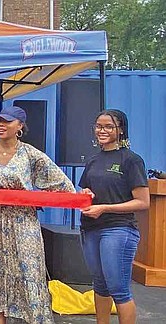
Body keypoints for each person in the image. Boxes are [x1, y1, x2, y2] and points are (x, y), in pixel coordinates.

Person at [0, 105, 75, 324]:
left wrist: (76, 197)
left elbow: (60, 183)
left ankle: (30, 318)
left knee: (27, 270)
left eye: (7, 121)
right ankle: (0, 321)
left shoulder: (30, 154)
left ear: (20, 126)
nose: (1, 125)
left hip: (22, 222)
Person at [78, 109, 149, 324]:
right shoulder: (93, 160)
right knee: (99, 285)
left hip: (118, 229)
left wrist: (105, 208)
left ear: (121, 130)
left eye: (109, 126)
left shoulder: (131, 160)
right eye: (99, 126)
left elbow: (142, 202)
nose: (102, 130)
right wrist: (85, 195)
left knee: (118, 288)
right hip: (91, 229)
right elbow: (87, 191)